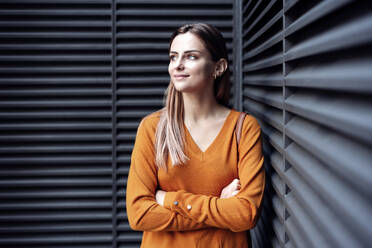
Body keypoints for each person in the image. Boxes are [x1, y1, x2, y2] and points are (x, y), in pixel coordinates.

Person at [126, 23, 265, 248]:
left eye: (191, 57)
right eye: (173, 57)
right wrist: (219, 206)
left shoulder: (244, 128)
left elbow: (245, 214)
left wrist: (169, 199)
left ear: (218, 68)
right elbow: (139, 214)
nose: (178, 65)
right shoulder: (152, 128)